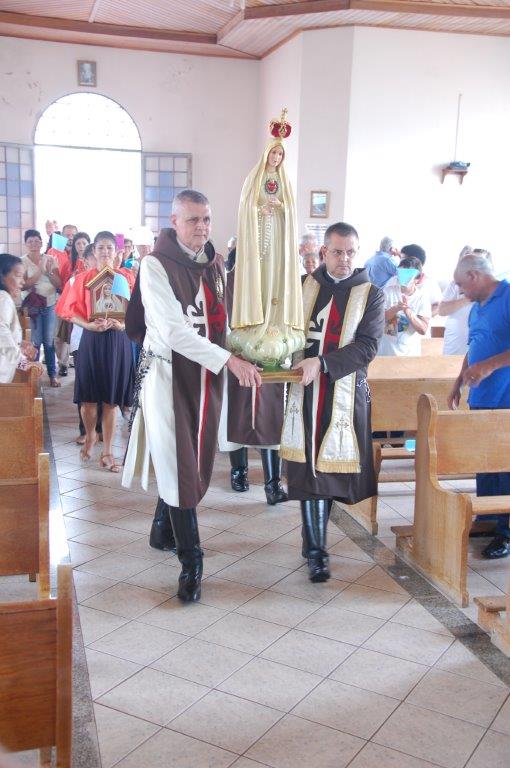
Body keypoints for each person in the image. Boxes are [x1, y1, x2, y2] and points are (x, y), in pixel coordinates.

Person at [123, 189, 261, 603]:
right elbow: (171, 330)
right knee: (180, 463)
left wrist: (250, 349)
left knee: (189, 458)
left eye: (207, 219)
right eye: (193, 219)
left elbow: (224, 321)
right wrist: (228, 361)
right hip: (169, 377)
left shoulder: (215, 264)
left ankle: (161, 529)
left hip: (206, 377)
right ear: (174, 221)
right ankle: (191, 562)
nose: (202, 227)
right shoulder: (155, 265)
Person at [280, 222, 384, 582]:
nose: (345, 259)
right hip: (304, 393)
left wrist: (322, 363)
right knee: (308, 472)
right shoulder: (302, 287)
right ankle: (316, 551)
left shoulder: (371, 294)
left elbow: (367, 347)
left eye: (351, 252)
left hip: (344, 395)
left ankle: (313, 542)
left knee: (327, 474)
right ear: (323, 252)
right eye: (337, 252)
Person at [229, 112, 304, 367]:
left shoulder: (285, 181)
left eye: (280, 154)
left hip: (279, 238)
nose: (276, 158)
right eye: (274, 153)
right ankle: (257, 323)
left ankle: (275, 321)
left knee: (276, 276)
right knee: (260, 276)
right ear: (266, 154)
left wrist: (282, 207)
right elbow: (245, 207)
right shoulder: (255, 177)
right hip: (259, 238)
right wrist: (259, 210)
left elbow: (291, 209)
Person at [56, 231, 135, 472]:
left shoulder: (125, 278)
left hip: (117, 340)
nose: (105, 252)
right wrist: (88, 325)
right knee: (88, 399)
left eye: (109, 247)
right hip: (91, 338)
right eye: (101, 247)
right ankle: (90, 434)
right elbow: (68, 311)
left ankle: (108, 452)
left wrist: (122, 324)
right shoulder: (82, 279)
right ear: (94, 251)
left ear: (116, 251)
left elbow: (136, 312)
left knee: (111, 400)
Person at [448, 254, 510, 559]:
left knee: (505, 467)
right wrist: (458, 382)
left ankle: (505, 532)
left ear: (474, 275)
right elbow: (474, 347)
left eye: (461, 284)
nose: (461, 291)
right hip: (481, 399)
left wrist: (488, 366)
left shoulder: (507, 296)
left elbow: (488, 358)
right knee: (484, 463)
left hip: (506, 400)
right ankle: (487, 519)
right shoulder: (476, 308)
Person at [219, 247, 287, 504]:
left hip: (269, 361)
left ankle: (273, 484)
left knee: (270, 417)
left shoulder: (272, 285)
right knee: (234, 416)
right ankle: (239, 472)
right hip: (235, 360)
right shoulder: (226, 284)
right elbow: (220, 322)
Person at [21, 229, 61, 387]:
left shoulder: (50, 259)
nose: (34, 244)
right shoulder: (22, 261)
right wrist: (40, 271)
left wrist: (49, 272)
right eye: (30, 241)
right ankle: (34, 375)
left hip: (50, 304)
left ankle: (52, 374)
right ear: (26, 243)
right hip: (33, 306)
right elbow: (24, 285)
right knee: (35, 342)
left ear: (41, 242)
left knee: (49, 341)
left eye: (37, 241)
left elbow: (58, 284)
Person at [439, 247, 492, 356]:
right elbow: (441, 311)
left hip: (482, 348)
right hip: (455, 345)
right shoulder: (455, 284)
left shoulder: (496, 289)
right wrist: (469, 297)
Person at [0, 254, 43, 383]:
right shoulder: (3, 298)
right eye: (18, 276)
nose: (23, 282)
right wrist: (23, 363)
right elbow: (1, 331)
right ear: (2, 276)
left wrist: (18, 342)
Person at [378, 255, 430, 356]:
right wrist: (396, 309)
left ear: (417, 278)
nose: (402, 278)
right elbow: (378, 319)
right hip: (386, 354)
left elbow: (423, 329)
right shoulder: (388, 291)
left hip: (410, 356)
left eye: (407, 275)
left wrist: (408, 312)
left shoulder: (422, 297)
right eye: (400, 273)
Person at [55, 231, 91, 376]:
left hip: (89, 311)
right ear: (74, 246)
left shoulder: (94, 263)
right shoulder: (69, 263)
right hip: (71, 306)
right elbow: (62, 283)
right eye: (78, 243)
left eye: (84, 243)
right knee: (64, 338)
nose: (81, 246)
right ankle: (63, 363)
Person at [400, 243, 442, 318]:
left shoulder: (430, 283)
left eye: (403, 259)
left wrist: (417, 318)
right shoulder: (396, 279)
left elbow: (438, 306)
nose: (400, 262)